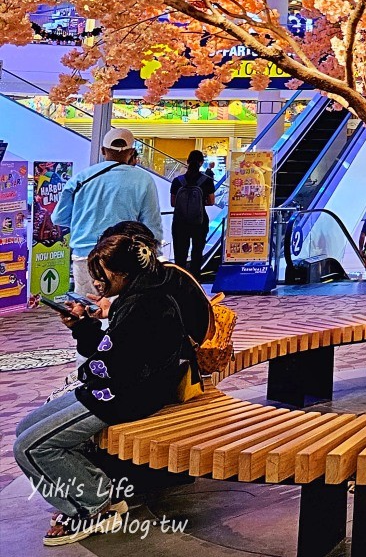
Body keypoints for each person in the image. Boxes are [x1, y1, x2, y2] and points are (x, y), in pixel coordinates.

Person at [15, 229, 188, 545]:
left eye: (101, 275)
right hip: (113, 388)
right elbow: (111, 353)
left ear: (124, 272)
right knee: (25, 428)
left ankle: (95, 506)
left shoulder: (144, 305)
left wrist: (86, 327)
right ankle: (91, 492)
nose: (97, 283)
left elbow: (110, 362)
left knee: (29, 447)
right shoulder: (138, 296)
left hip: (125, 397)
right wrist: (84, 325)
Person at [52, 127, 164, 295]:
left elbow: (59, 218)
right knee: (121, 314)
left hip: (85, 257)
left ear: (103, 150)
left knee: (86, 312)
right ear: (132, 152)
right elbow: (151, 226)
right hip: (122, 257)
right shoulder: (144, 180)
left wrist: (85, 222)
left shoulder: (81, 178)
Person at [170, 150, 216, 278]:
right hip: (199, 222)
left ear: (187, 162)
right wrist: (199, 203)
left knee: (180, 254)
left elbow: (173, 203)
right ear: (201, 163)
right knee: (197, 253)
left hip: (180, 222)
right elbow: (211, 202)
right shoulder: (206, 181)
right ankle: (195, 280)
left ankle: (179, 280)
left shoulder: (177, 181)